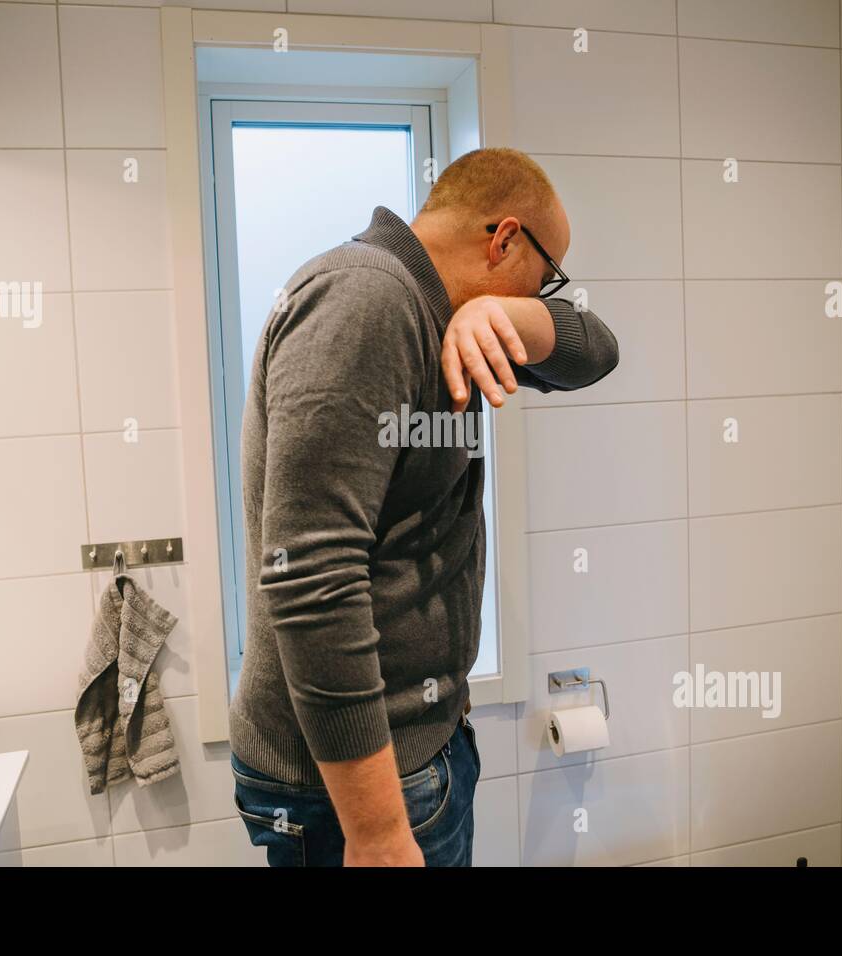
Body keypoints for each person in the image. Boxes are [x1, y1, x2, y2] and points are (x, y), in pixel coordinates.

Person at [228, 147, 619, 866]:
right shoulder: (367, 301)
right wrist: (375, 831)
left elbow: (595, 350)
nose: (547, 292)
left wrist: (507, 312)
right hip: (359, 787)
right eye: (545, 274)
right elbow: (312, 575)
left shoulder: (439, 308)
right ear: (503, 240)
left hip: (419, 751)